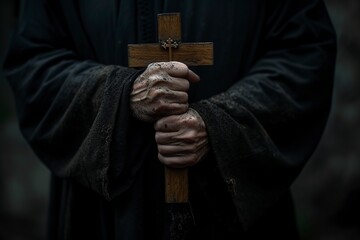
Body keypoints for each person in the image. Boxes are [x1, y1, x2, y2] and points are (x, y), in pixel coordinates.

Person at [3, 0, 336, 239]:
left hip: (229, 211)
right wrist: (121, 95)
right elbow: (33, 63)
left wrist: (219, 125)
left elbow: (304, 53)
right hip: (105, 214)